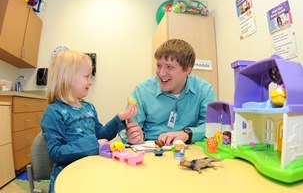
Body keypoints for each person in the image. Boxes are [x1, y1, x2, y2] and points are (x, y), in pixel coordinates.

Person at [41, 46, 137, 193]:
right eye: (86, 77)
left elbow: (101, 135)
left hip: (91, 169)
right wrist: (94, 144)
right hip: (69, 178)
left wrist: (119, 118)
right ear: (67, 78)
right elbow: (56, 152)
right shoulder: (54, 112)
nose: (90, 82)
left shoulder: (89, 107)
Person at [120, 39, 216, 145]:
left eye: (169, 67)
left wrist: (187, 134)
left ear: (187, 70)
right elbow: (126, 131)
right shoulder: (142, 91)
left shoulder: (203, 90)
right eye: (159, 66)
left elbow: (213, 127)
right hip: (151, 151)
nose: (161, 73)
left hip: (187, 151)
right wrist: (132, 136)